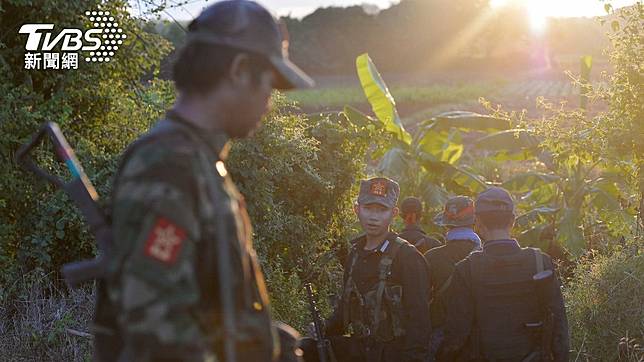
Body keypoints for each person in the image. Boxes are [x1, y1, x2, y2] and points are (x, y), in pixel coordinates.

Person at [104, 1, 314, 361]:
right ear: (239, 69)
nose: (269, 101)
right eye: (269, 83)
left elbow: (202, 303)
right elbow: (157, 335)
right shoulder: (168, 165)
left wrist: (260, 340)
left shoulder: (199, 161)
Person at [301, 177, 431, 362]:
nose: (374, 216)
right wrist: (323, 328)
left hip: (394, 355)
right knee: (303, 348)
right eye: (368, 208)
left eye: (381, 210)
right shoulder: (354, 255)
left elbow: (420, 323)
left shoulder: (407, 257)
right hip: (360, 351)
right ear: (357, 210)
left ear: (393, 213)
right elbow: (343, 312)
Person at [437, 187, 570, 361]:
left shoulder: (467, 269)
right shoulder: (539, 262)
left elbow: (456, 334)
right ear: (513, 221)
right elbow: (559, 326)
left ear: (477, 223)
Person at [424, 196, 480, 359]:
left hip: (441, 340)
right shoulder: (485, 256)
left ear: (446, 226)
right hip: (478, 337)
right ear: (475, 223)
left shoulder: (431, 257)